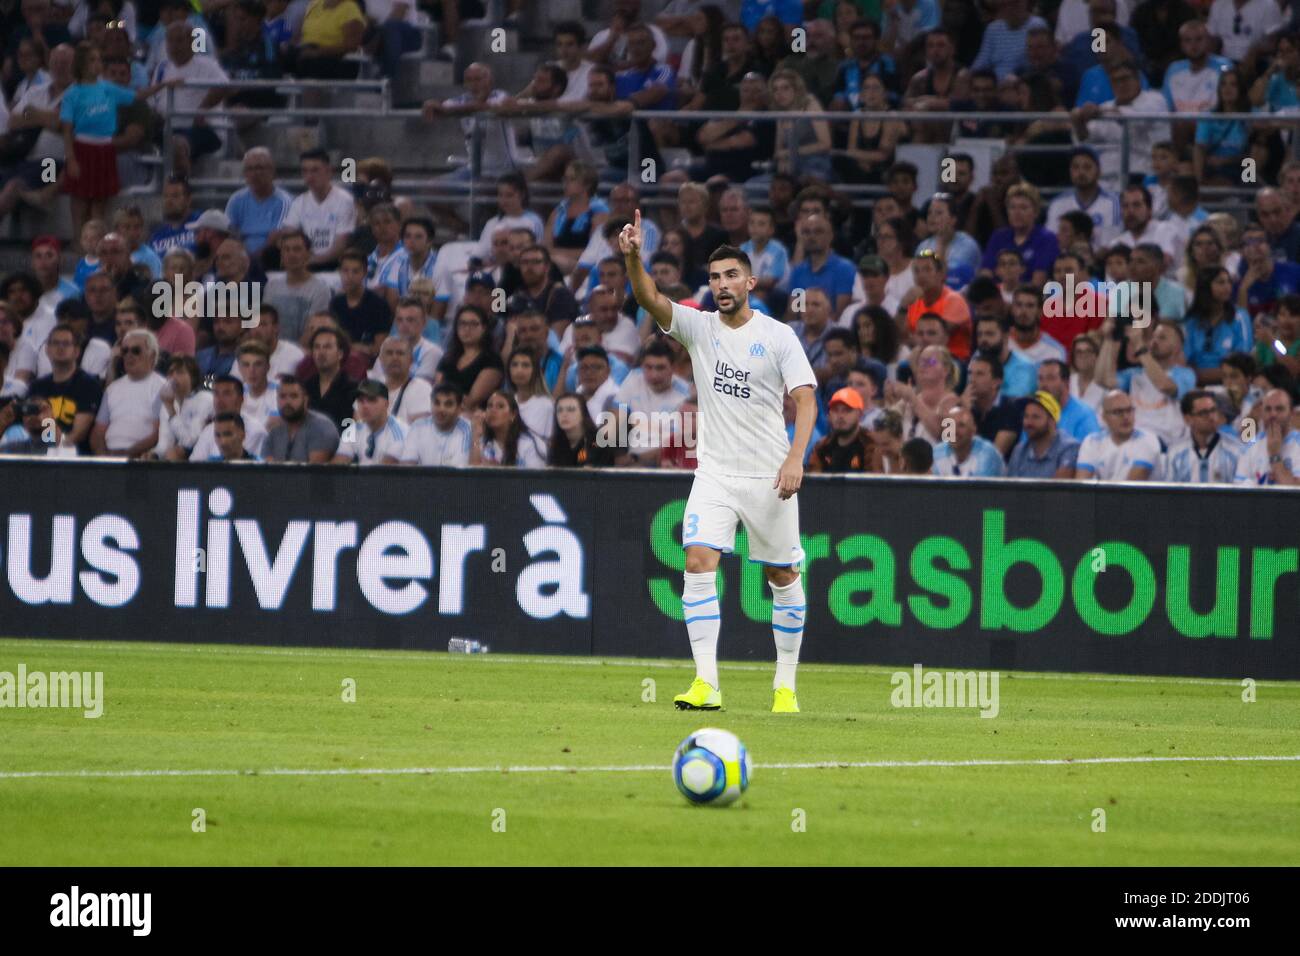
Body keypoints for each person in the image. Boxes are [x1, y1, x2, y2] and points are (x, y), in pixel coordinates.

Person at [621, 209, 818, 714]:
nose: (723, 284)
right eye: (714, 277)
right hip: (714, 474)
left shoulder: (778, 336)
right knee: (697, 560)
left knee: (781, 577)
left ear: (750, 281)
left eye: (732, 275)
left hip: (771, 476)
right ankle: (706, 683)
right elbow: (649, 297)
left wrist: (796, 459)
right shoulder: (698, 327)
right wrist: (634, 257)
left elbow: (806, 400)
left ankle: (785, 685)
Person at [88, 326, 163, 456]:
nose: (129, 355)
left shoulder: (162, 387)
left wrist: (127, 455)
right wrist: (104, 459)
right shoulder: (112, 389)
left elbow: (159, 434)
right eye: (125, 351)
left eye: (136, 350)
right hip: (110, 458)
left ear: (152, 356)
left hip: (142, 459)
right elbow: (98, 432)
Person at [1075, 388, 1164, 480]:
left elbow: (1131, 488)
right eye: (1118, 412)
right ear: (1104, 417)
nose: (1125, 417)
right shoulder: (1091, 442)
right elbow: (1082, 482)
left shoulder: (1148, 440)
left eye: (1129, 410)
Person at [261, 374, 339, 463]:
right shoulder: (274, 430)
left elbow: (315, 472)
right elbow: (266, 469)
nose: (287, 402)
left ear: (305, 399)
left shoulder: (321, 426)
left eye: (294, 396)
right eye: (282, 396)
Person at [1232, 388, 1300, 485]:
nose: (1273, 414)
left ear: (1291, 413)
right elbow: (1239, 492)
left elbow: (1295, 494)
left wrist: (1274, 455)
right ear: (1262, 413)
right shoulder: (1250, 445)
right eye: (1268, 409)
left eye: (1279, 409)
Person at [331, 379, 406, 465]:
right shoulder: (353, 430)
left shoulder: (399, 432)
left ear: (386, 404)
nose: (365, 406)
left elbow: (384, 472)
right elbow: (336, 466)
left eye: (372, 400)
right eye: (361, 400)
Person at [1008, 389, 1080, 478]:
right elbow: (1011, 490)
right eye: (1026, 416)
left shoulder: (1069, 447)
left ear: (1052, 421)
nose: (1028, 423)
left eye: (1035, 417)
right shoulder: (1019, 451)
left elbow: (1060, 488)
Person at [806, 386, 878, 473]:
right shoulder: (822, 447)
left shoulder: (871, 444)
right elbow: (814, 480)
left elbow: (875, 481)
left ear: (860, 414)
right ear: (829, 416)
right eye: (835, 410)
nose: (840, 416)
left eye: (847, 410)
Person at [400, 382, 472, 466]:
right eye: (437, 403)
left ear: (459, 409)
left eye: (448, 405)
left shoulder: (468, 430)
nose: (441, 409)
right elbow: (407, 466)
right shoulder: (418, 427)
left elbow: (457, 472)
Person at [931, 403, 1007, 476]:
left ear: (973, 430)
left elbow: (980, 489)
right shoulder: (937, 453)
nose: (954, 431)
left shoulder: (987, 454)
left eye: (961, 425)